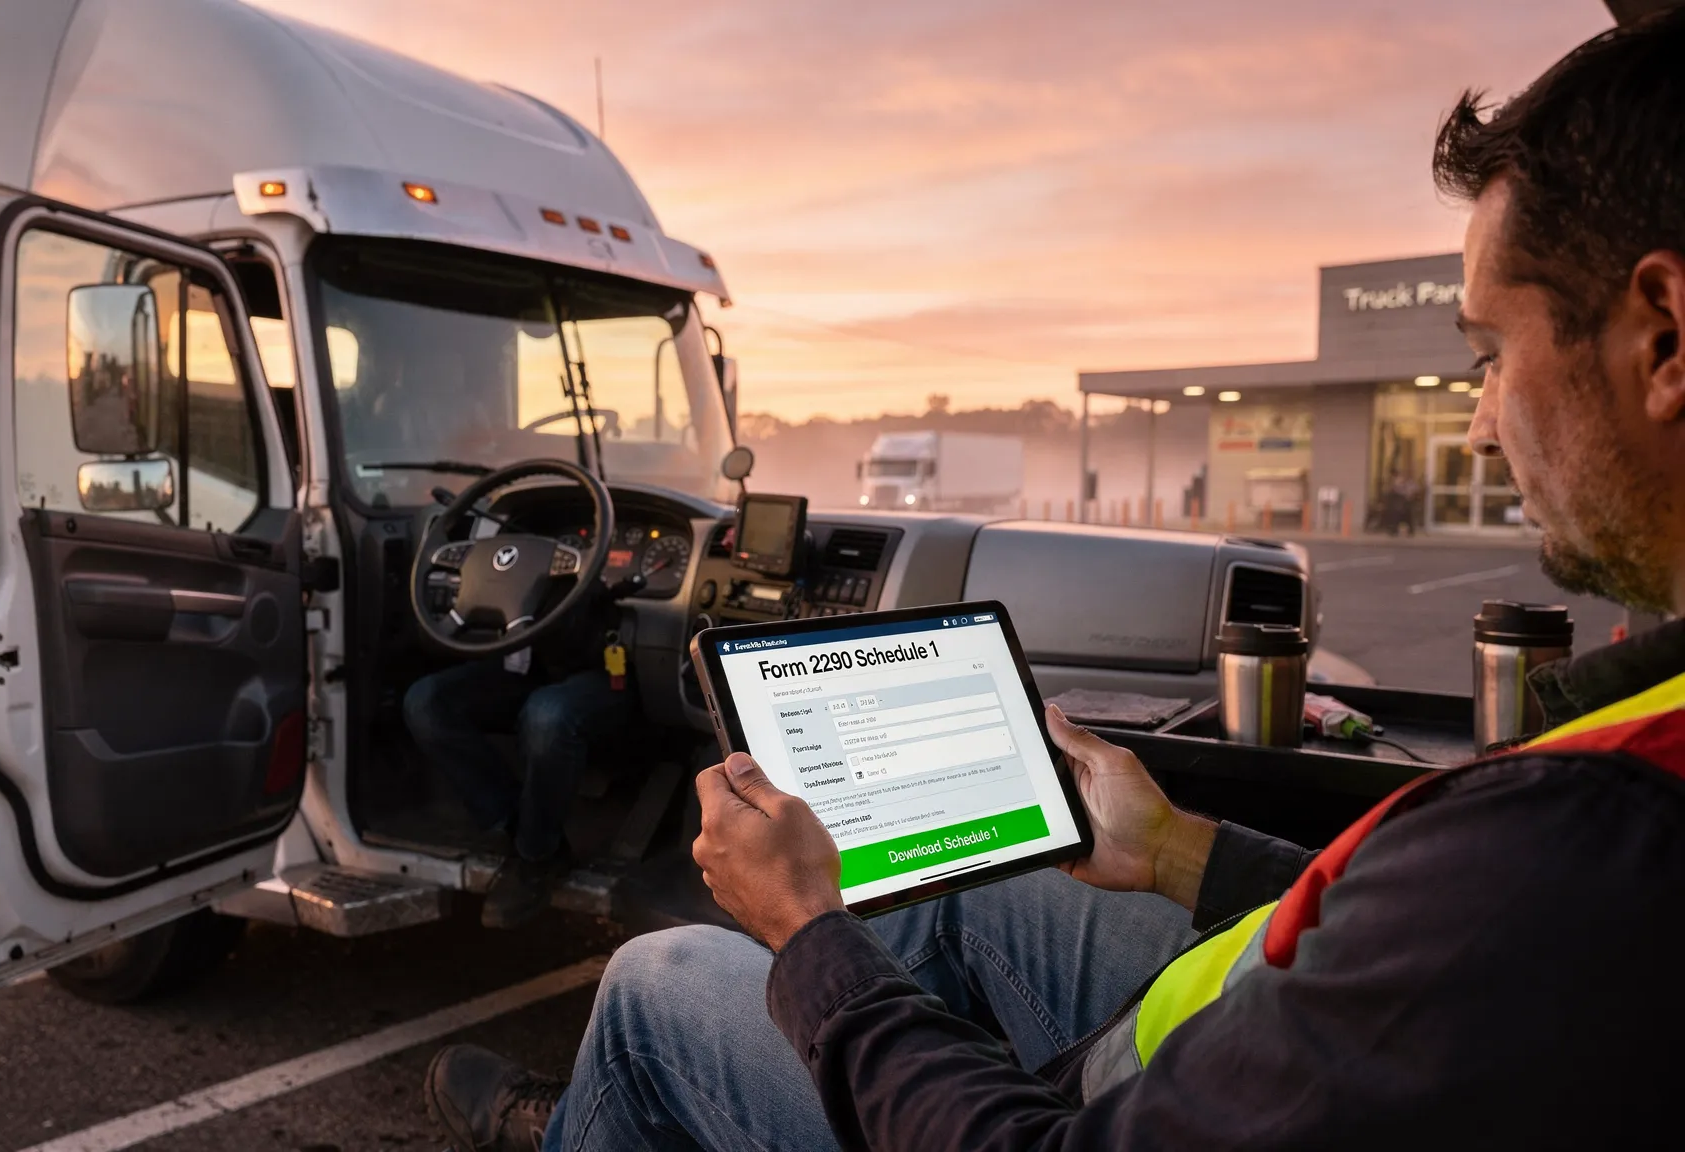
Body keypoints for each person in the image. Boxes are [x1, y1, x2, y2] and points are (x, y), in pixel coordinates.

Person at [423, 11, 1685, 1149]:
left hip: (1101, 1106)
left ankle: (621, 1102)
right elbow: (1378, 946)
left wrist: (808, 940)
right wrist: (1180, 849)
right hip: (1208, 1022)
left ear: (1660, 338)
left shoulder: (1573, 841)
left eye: (1485, 353)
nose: (1473, 425)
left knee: (653, 987)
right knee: (967, 883)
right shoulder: (1611, 777)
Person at [404, 627, 633, 929]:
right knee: (426, 702)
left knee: (547, 716)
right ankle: (522, 831)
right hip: (526, 662)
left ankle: (535, 854)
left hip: (615, 667)